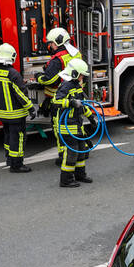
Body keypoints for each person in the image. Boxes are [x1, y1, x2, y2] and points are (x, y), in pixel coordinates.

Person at [0, 43, 35, 173]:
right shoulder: (13, 74)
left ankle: (9, 158)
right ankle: (17, 165)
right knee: (18, 138)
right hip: (16, 114)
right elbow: (21, 94)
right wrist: (31, 108)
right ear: (11, 56)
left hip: (2, 113)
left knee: (8, 135)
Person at [37, 27, 82, 163]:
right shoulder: (76, 53)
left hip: (60, 100)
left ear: (56, 42)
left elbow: (49, 80)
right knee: (77, 125)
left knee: (59, 129)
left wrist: (38, 77)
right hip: (76, 95)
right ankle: (82, 151)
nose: (50, 46)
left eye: (51, 43)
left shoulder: (57, 59)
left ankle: (64, 156)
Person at [52, 59, 97, 187]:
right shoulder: (66, 86)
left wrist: (91, 118)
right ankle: (65, 179)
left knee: (82, 150)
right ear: (74, 74)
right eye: (81, 75)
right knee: (72, 153)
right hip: (67, 126)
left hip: (77, 125)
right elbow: (56, 102)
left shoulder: (77, 86)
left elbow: (83, 106)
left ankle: (80, 174)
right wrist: (70, 103)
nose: (83, 77)